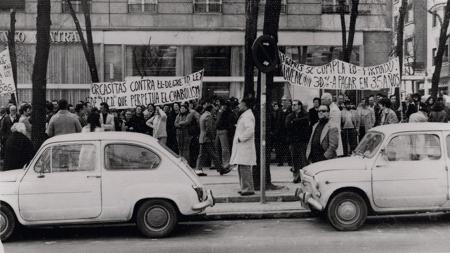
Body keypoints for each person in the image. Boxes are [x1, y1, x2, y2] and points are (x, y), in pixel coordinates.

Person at [230, 97, 257, 196]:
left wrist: (240, 138)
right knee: (241, 167)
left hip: (244, 146)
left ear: (245, 105)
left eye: (240, 104)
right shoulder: (245, 115)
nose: (238, 105)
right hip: (242, 146)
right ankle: (244, 187)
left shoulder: (248, 116)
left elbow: (250, 130)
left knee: (244, 167)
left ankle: (248, 189)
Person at [195, 104, 231, 176]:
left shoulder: (203, 115)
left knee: (202, 155)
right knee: (214, 155)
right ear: (210, 109)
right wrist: (212, 137)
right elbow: (209, 128)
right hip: (207, 138)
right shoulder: (209, 116)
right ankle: (221, 169)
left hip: (202, 138)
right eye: (214, 109)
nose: (215, 110)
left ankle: (198, 169)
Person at [285, 100, 310, 183]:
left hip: (302, 140)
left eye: (295, 105)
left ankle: (305, 177)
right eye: (292, 105)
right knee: (295, 160)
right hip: (293, 141)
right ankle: (296, 176)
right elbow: (287, 125)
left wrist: (294, 122)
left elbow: (306, 123)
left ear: (299, 106)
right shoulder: (290, 115)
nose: (293, 106)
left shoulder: (305, 114)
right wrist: (297, 123)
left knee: (303, 160)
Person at [215, 99, 236, 170]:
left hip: (222, 130)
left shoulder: (225, 112)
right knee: (221, 148)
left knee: (224, 148)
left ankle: (226, 163)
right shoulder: (221, 112)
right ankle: (223, 163)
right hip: (221, 130)